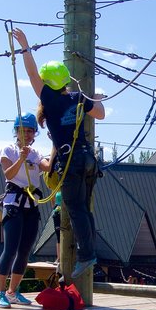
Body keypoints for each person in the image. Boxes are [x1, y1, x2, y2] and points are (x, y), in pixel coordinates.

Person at [13, 28, 105, 283]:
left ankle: (87, 255)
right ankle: (88, 253)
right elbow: (101, 114)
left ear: (49, 83)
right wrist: (94, 98)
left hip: (70, 163)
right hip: (88, 159)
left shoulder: (50, 101)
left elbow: (32, 75)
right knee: (84, 209)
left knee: (75, 209)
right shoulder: (77, 98)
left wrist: (25, 48)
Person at [0, 113, 52, 308]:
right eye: (22, 131)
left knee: (25, 251)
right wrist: (21, 158)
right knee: (10, 249)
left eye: (30, 131)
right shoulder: (8, 150)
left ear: (34, 133)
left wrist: (55, 145)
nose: (26, 134)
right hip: (13, 204)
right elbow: (8, 174)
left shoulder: (35, 154)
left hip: (31, 204)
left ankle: (13, 291)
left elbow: (47, 167)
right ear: (16, 132)